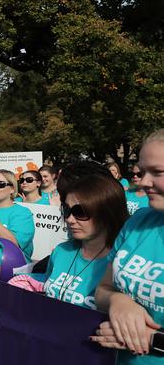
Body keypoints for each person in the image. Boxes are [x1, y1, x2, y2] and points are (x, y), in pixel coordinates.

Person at [92, 129, 164, 362]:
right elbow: (103, 289)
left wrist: (153, 340)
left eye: (157, 172)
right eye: (142, 172)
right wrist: (118, 301)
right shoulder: (137, 221)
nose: (144, 182)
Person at [40, 174, 128, 309]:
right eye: (67, 210)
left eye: (80, 211)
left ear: (107, 212)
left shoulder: (124, 264)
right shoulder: (60, 251)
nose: (70, 219)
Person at [0, 170, 35, 263]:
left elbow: (13, 244)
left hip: (14, 272)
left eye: (0, 184)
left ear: (12, 189)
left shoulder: (23, 213)